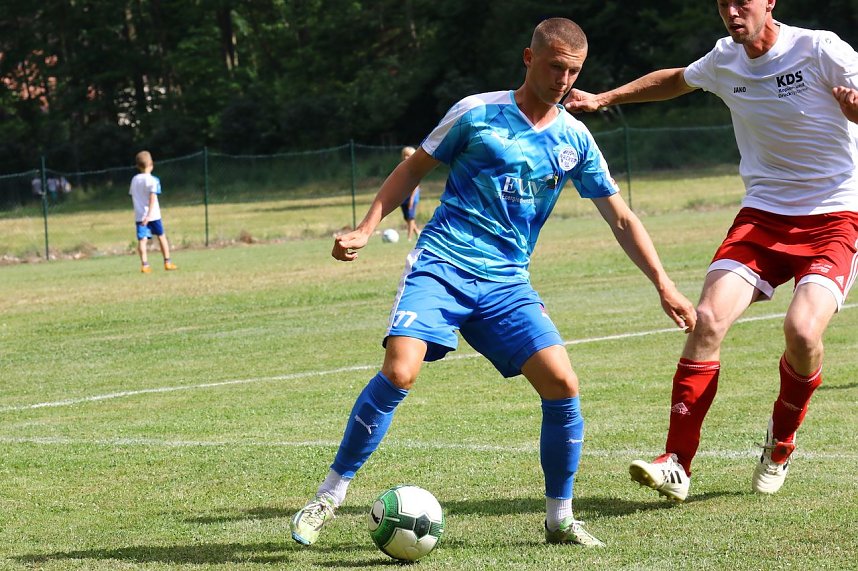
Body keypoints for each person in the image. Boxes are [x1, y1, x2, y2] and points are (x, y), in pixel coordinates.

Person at [290, 17, 696, 548]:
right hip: (443, 264)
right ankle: (328, 497)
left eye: (573, 71)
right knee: (400, 370)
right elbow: (413, 170)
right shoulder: (476, 112)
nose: (563, 80)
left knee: (562, 384)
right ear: (529, 59)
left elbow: (620, 217)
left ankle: (560, 519)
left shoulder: (574, 137)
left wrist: (663, 283)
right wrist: (368, 228)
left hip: (506, 283)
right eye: (555, 67)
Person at [566, 0, 858, 501]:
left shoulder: (819, 47)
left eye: (741, 1)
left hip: (836, 216)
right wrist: (604, 99)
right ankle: (676, 461)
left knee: (802, 332)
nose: (730, 11)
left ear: (769, 2)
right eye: (722, 2)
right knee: (706, 320)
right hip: (763, 215)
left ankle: (781, 441)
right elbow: (678, 79)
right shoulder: (725, 59)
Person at [129, 151, 178, 273]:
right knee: (161, 237)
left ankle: (145, 265)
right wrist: (149, 214)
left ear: (137, 166)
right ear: (151, 164)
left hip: (140, 215)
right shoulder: (153, 180)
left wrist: (142, 213)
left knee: (142, 240)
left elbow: (133, 195)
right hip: (154, 215)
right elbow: (152, 198)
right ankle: (167, 262)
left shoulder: (134, 180)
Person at [398, 146, 421, 241]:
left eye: (408, 155)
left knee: (411, 217)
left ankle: (409, 237)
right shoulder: (402, 167)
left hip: (412, 196)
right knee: (406, 217)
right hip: (404, 196)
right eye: (404, 155)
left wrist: (411, 200)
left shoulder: (415, 169)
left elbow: (415, 186)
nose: (406, 157)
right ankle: (418, 232)